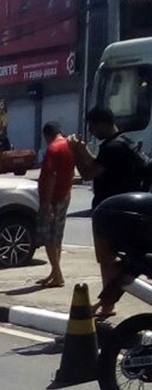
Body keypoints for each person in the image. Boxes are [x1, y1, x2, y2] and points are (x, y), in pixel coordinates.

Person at [69, 107, 145, 318]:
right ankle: (107, 304)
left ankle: (107, 303)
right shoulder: (125, 143)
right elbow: (101, 163)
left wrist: (75, 153)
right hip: (131, 209)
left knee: (107, 259)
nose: (92, 131)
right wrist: (84, 151)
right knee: (113, 259)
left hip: (111, 211)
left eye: (92, 126)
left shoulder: (112, 148)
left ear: (101, 123)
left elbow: (88, 173)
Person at [36, 121, 76, 289]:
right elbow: (72, 172)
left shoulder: (53, 149)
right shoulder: (69, 145)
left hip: (53, 199)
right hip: (65, 195)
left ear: (46, 135)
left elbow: (51, 175)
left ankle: (58, 274)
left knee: (48, 237)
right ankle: (54, 272)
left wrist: (47, 202)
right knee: (57, 236)